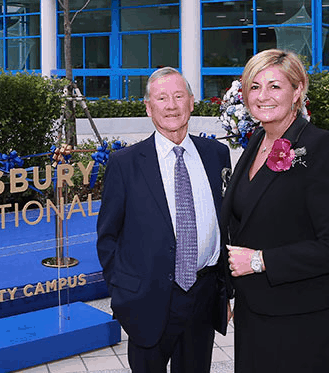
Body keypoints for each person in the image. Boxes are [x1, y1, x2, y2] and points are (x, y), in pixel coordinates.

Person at [220, 49, 329, 372]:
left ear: (298, 91)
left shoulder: (323, 147)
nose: (262, 96)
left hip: (302, 315)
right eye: (254, 87)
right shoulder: (257, 140)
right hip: (255, 312)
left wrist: (260, 260)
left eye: (275, 86)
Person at [96, 67, 232, 372]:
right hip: (147, 300)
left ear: (192, 102)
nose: (171, 105)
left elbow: (227, 223)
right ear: (148, 107)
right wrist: (123, 296)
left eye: (178, 96)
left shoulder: (216, 155)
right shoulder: (125, 164)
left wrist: (226, 291)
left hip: (203, 295)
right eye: (161, 98)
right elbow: (108, 237)